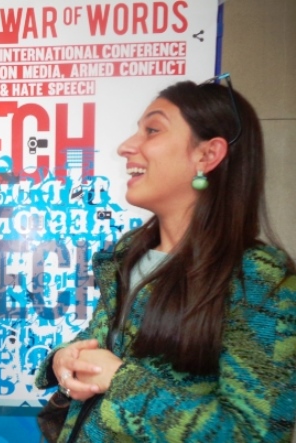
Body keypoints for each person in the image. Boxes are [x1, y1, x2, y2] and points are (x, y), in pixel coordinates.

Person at [35, 75, 296, 442]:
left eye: (152, 130)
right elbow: (99, 342)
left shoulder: (259, 282)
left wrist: (120, 382)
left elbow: (254, 435)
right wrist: (63, 359)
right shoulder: (126, 257)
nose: (126, 147)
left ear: (207, 155)